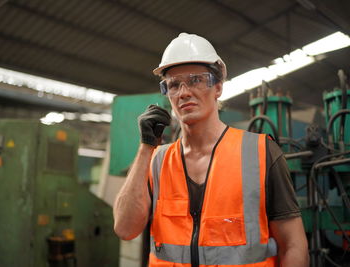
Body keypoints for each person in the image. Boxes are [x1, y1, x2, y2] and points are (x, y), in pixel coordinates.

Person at [113, 33, 309, 267]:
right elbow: (125, 229)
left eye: (196, 79)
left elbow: (294, 245)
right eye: (173, 84)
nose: (183, 92)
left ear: (218, 87)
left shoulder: (261, 153)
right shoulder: (157, 160)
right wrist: (146, 146)